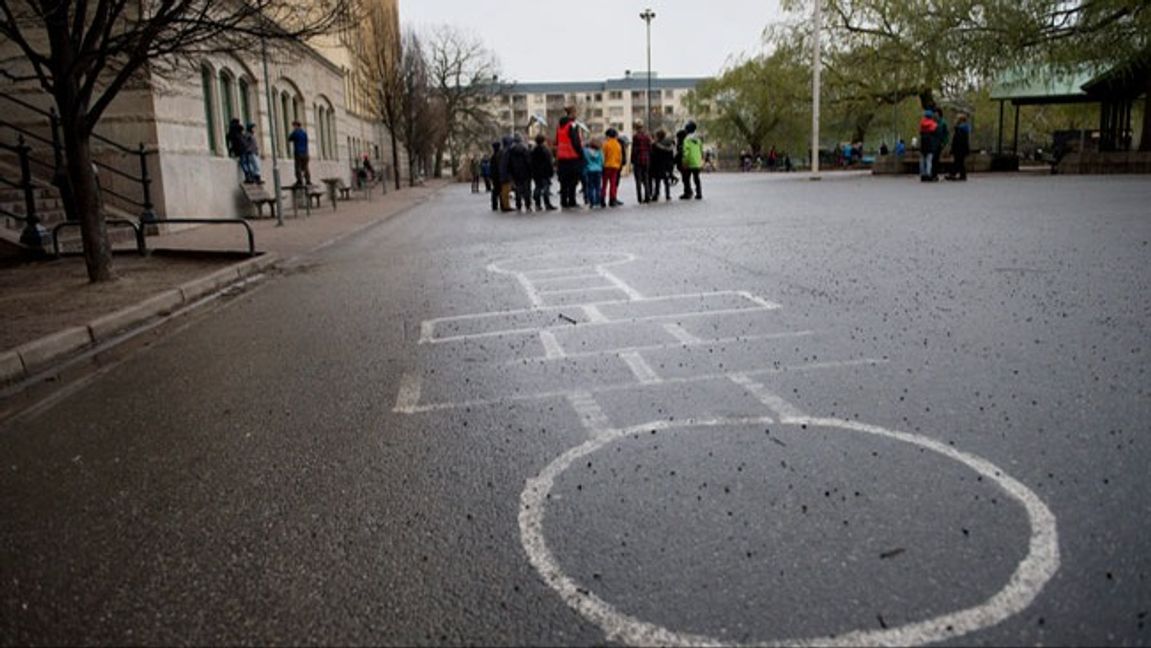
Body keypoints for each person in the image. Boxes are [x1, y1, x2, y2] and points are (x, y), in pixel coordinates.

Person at [554, 108, 585, 209]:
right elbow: (576, 142)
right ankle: (572, 200)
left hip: (561, 157)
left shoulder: (559, 126)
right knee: (573, 181)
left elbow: (557, 141)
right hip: (572, 156)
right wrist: (581, 154)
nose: (576, 115)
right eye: (575, 113)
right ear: (571, 113)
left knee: (563, 181)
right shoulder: (572, 125)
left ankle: (563, 201)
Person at [530, 134, 557, 211]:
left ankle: (537, 203)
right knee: (546, 188)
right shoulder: (546, 150)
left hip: (536, 172)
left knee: (538, 187)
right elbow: (549, 162)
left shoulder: (533, 150)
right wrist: (551, 171)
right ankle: (547, 203)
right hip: (545, 172)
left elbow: (531, 162)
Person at [508, 133, 533, 212]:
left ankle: (518, 204)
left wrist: (511, 172)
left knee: (518, 188)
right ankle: (527, 204)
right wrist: (530, 171)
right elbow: (528, 161)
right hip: (525, 172)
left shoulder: (511, 150)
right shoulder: (524, 149)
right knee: (527, 189)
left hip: (515, 172)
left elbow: (509, 163)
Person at [601, 128, 625, 207]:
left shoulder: (606, 144)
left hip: (606, 166)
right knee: (613, 184)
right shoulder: (618, 145)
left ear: (608, 136)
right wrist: (618, 164)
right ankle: (612, 199)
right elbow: (620, 157)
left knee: (604, 184)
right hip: (615, 167)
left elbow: (603, 155)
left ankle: (602, 199)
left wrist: (603, 164)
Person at [680, 121, 703, 200]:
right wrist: (700, 160)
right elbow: (701, 150)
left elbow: (686, 151)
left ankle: (688, 192)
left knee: (686, 178)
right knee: (697, 178)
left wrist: (684, 161)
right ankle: (699, 193)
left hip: (689, 162)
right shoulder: (698, 139)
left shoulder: (686, 140)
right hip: (697, 162)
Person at [631, 120, 652, 204]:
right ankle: (647, 196)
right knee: (646, 179)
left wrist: (632, 160)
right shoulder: (647, 137)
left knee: (638, 180)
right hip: (646, 159)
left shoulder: (635, 137)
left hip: (638, 160)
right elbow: (650, 148)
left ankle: (640, 198)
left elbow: (634, 149)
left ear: (636, 128)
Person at [651, 129, 675, 201]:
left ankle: (656, 194)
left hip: (658, 165)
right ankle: (668, 195)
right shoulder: (669, 145)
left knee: (657, 181)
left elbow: (653, 155)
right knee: (666, 181)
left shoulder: (655, 145)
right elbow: (671, 156)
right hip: (667, 165)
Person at [946, 113, 971, 181]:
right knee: (959, 162)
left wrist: (953, 149)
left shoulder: (960, 129)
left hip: (959, 149)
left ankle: (955, 174)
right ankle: (959, 174)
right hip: (962, 149)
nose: (955, 120)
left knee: (958, 162)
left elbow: (957, 140)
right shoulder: (964, 129)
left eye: (957, 119)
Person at [287, 121, 311, 186]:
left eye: (294, 126)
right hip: (305, 153)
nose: (293, 127)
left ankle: (299, 181)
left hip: (298, 153)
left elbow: (289, 138)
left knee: (298, 167)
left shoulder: (296, 132)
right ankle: (308, 180)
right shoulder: (304, 133)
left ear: (296, 126)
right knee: (306, 167)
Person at [583, 138, 604, 208]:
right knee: (598, 187)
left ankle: (591, 201)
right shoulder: (600, 152)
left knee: (590, 187)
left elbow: (584, 159)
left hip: (589, 170)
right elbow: (602, 161)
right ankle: (597, 202)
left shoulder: (586, 151)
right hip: (598, 170)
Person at [918, 110, 937, 182]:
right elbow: (935, 133)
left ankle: (923, 174)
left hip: (923, 143)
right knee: (929, 160)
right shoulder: (933, 124)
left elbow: (920, 132)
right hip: (930, 143)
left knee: (922, 159)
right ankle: (928, 174)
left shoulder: (922, 124)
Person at [497, 134, 514, 211]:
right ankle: (506, 206)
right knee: (505, 191)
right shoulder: (507, 151)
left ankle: (505, 205)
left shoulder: (502, 151)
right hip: (505, 174)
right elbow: (506, 164)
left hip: (503, 174)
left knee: (505, 190)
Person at [931, 108, 949, 181]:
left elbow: (946, 134)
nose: (934, 115)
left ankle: (934, 174)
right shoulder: (932, 122)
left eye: (936, 113)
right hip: (932, 143)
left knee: (935, 159)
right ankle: (932, 174)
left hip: (938, 144)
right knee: (932, 159)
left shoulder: (943, 123)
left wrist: (943, 143)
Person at [488, 140, 502, 212]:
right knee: (500, 190)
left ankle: (495, 205)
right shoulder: (499, 155)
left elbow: (491, 167)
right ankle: (501, 204)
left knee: (496, 190)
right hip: (499, 175)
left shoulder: (493, 157)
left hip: (494, 176)